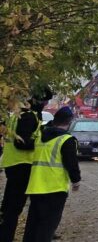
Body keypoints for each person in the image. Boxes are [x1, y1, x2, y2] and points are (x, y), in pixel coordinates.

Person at [0, 83, 52, 242]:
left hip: (13, 164)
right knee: (13, 209)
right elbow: (21, 143)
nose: (46, 104)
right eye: (46, 101)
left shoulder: (18, 114)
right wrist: (41, 144)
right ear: (41, 101)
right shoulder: (29, 116)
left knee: (8, 207)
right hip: (22, 166)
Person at [22, 106, 80, 242]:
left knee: (32, 225)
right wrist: (76, 181)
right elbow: (71, 163)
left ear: (55, 120)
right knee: (47, 227)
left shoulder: (40, 137)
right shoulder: (67, 140)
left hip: (35, 187)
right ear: (69, 122)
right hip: (55, 189)